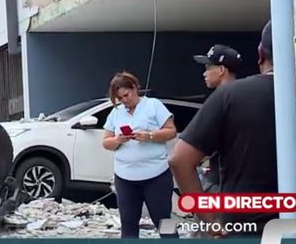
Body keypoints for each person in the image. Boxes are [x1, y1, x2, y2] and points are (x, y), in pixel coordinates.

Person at [169, 21, 278, 238]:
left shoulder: (229, 97)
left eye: (208, 68)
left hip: (244, 223)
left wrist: (209, 221)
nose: (204, 73)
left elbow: (179, 160)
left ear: (260, 54)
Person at [101, 71, 178, 239]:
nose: (124, 100)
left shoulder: (153, 105)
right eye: (120, 98)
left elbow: (171, 131)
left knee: (164, 220)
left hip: (156, 175)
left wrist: (150, 136)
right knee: (128, 223)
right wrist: (118, 140)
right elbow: (106, 142)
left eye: (126, 95)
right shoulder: (116, 112)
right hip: (125, 177)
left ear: (135, 88)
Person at [192, 44, 242, 193]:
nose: (204, 74)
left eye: (208, 68)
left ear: (221, 70)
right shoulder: (245, 96)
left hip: (222, 182)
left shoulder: (221, 99)